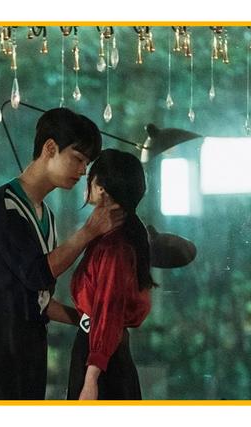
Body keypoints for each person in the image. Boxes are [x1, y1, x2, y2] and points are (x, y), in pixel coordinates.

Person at [0, 108, 125, 400]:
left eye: (87, 164)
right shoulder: (4, 205)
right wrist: (88, 232)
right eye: (78, 158)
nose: (83, 171)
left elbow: (39, 299)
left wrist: (87, 319)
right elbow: (37, 273)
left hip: (30, 344)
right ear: (50, 148)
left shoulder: (47, 215)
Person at [67, 148, 156, 400]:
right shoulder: (114, 239)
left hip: (100, 359)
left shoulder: (114, 247)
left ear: (101, 189)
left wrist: (91, 379)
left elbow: (109, 312)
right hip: (102, 352)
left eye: (89, 176)